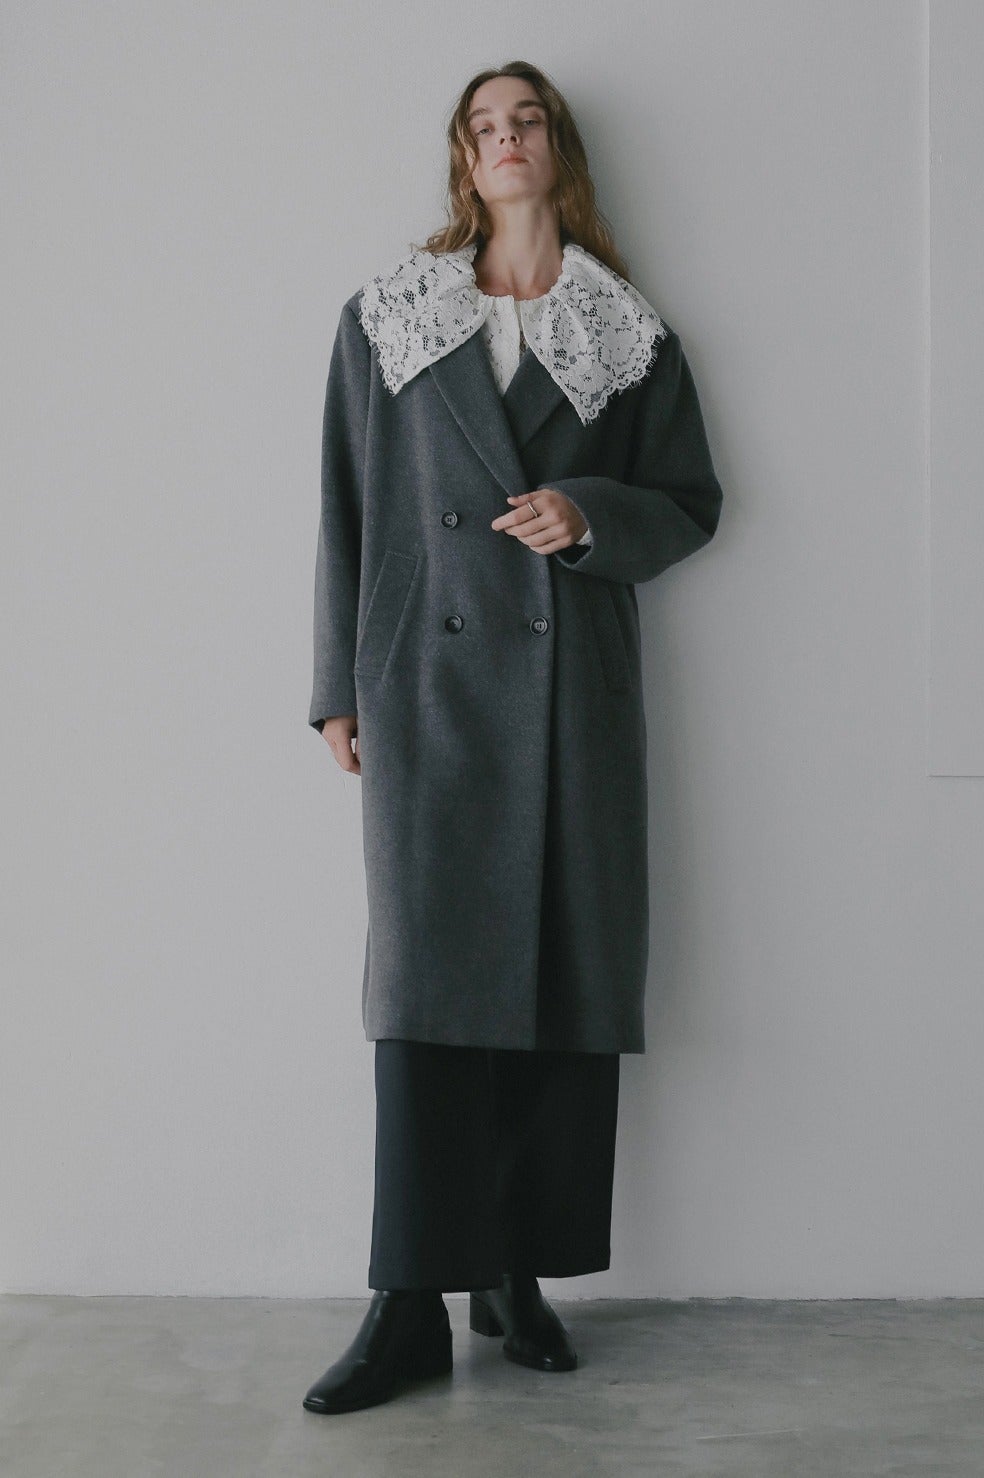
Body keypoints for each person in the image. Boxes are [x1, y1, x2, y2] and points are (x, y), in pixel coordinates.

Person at [302, 60, 724, 1416]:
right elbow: (345, 504)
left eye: (525, 120)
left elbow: (691, 500)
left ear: (558, 148)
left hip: (567, 697)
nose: (505, 140)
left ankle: (515, 1273)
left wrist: (590, 513)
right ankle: (407, 1303)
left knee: (557, 977)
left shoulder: (626, 331)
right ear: (463, 159)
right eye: (482, 127)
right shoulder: (391, 317)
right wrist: (335, 684)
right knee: (425, 995)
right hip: (425, 689)